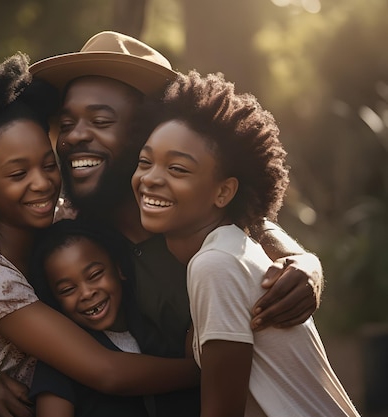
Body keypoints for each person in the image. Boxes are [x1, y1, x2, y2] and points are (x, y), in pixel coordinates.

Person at [28, 30, 325, 416]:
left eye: (101, 120)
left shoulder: (204, 230)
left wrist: (305, 263)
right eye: (66, 124)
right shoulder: (73, 233)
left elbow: (253, 226)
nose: (74, 137)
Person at [0, 52, 200, 416]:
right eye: (17, 174)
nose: (42, 183)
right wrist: (216, 367)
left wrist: (302, 264)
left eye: (48, 165)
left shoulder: (66, 225)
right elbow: (107, 372)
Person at [131, 70, 360, 416]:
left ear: (223, 191)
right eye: (145, 162)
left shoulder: (216, 263)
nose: (150, 179)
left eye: (177, 169)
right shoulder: (231, 249)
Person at [29, 218, 164, 417]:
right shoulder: (61, 360)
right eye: (67, 289)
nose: (86, 293)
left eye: (95, 275)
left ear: (118, 269)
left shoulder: (156, 324)